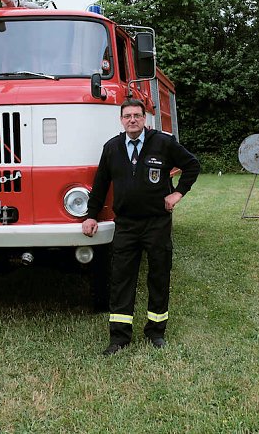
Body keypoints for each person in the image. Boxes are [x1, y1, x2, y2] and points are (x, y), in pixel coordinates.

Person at [82, 98, 200, 355]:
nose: (132, 120)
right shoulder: (112, 148)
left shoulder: (163, 143)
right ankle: (119, 338)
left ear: (145, 118)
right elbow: (100, 185)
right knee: (121, 279)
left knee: (158, 276)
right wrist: (91, 215)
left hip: (156, 223)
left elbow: (192, 165)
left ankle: (156, 332)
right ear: (121, 120)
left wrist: (177, 193)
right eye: (127, 116)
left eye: (137, 115)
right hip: (125, 225)